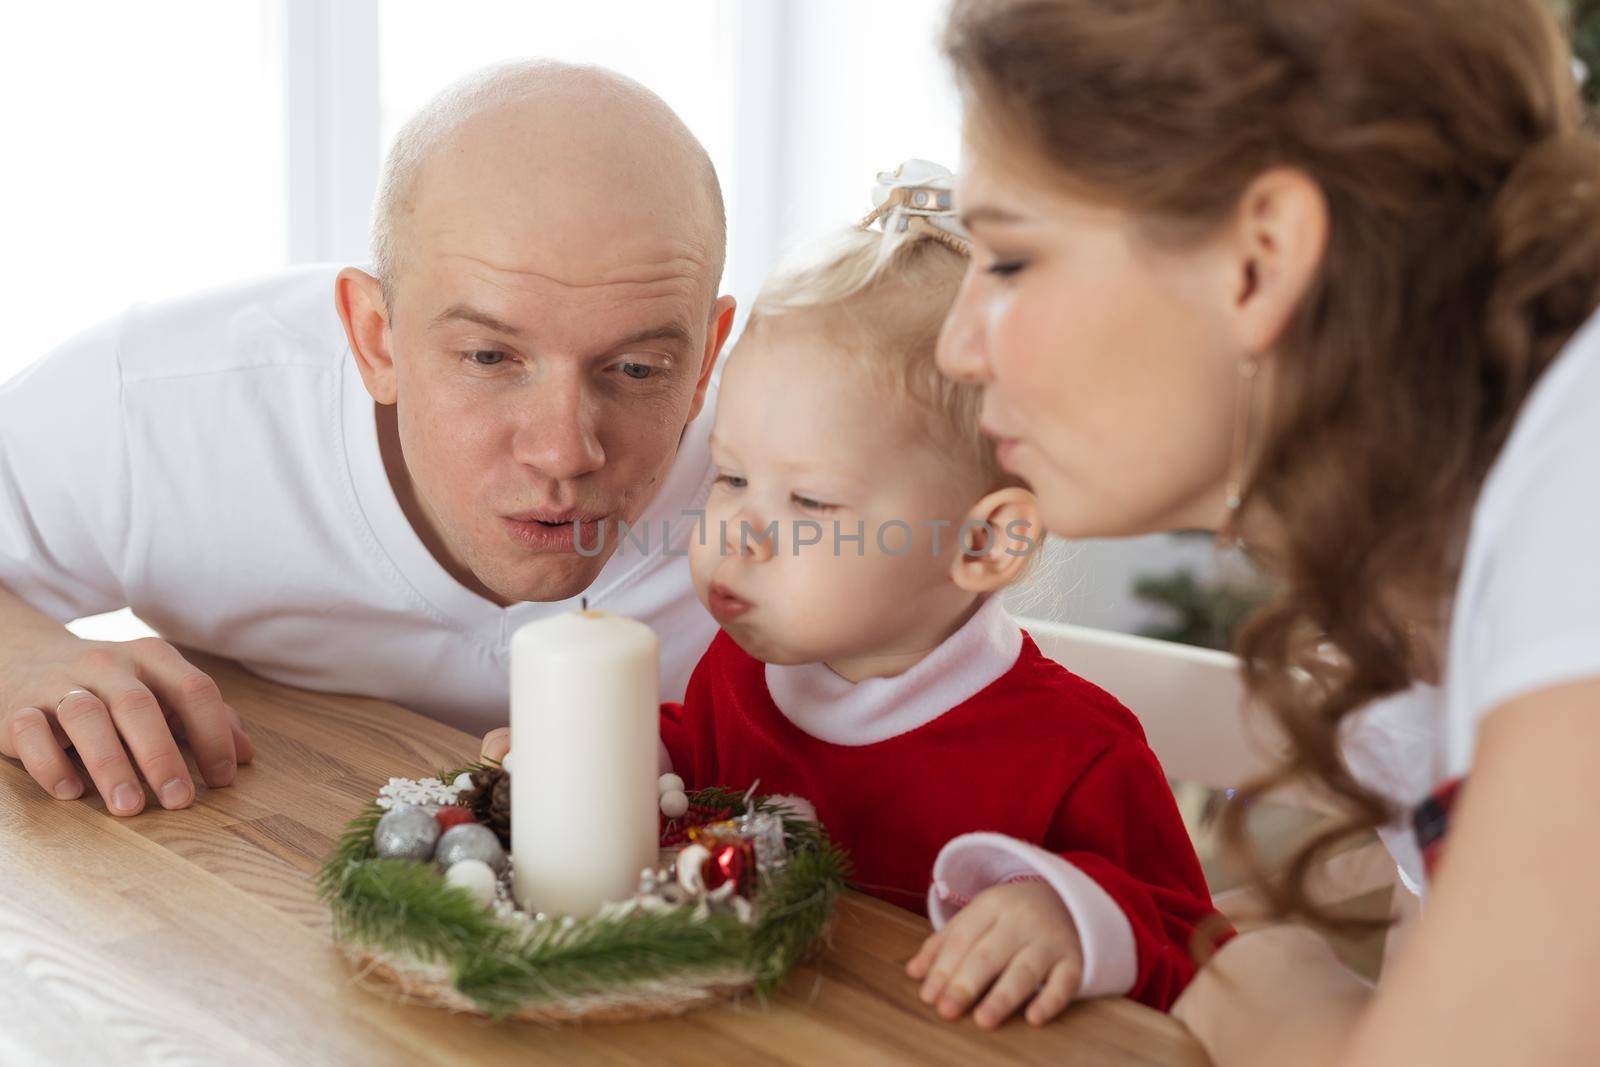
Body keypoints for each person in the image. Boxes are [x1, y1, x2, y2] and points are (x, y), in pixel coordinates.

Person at [933, 0, 1600, 1061]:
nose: (958, 347)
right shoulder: (1427, 567)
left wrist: (1299, 1020)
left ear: (1261, 256)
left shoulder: (1580, 478)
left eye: (1009, 261)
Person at [483, 163, 1220, 1023]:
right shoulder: (742, 670)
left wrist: (1073, 917)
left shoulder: (1078, 755)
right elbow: (704, 774)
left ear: (983, 542)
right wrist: (612, 758)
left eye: (809, 502)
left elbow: (1199, 953)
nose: (737, 533)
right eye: (730, 476)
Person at [0, 61, 735, 819]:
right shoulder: (169, 403)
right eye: (489, 357)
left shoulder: (815, 468)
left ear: (708, 358)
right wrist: (18, 656)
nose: (564, 452)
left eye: (638, 368)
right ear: (376, 337)